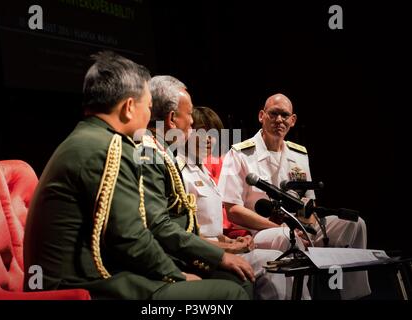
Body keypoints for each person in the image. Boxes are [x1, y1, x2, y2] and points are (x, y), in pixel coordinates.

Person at [23, 51, 249, 300]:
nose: (150, 116)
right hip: (84, 286)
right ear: (129, 107)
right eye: (149, 107)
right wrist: (175, 274)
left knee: (231, 280)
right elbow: (129, 237)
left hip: (86, 276)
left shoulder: (91, 138)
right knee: (230, 294)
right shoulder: (110, 148)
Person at [218, 93, 371, 299]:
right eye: (273, 114)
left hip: (299, 227)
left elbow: (309, 201)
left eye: (284, 115)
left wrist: (305, 227)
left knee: (355, 224)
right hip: (260, 232)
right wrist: (283, 228)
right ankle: (301, 296)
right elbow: (233, 210)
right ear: (261, 116)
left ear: (293, 120)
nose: (279, 120)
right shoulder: (240, 153)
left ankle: (355, 296)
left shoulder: (299, 153)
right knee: (286, 238)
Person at [138, 75, 255, 298]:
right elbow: (159, 227)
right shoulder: (149, 154)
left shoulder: (161, 153)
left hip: (184, 250)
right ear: (172, 119)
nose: (192, 122)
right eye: (190, 114)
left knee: (240, 279)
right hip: (167, 260)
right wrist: (222, 253)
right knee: (237, 284)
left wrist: (224, 243)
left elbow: (185, 223)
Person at [177, 106, 310, 299]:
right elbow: (185, 234)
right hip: (201, 255)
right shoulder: (180, 171)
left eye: (214, 134)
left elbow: (211, 230)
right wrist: (230, 247)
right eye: (202, 132)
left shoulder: (204, 172)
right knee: (274, 259)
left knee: (278, 259)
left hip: (218, 247)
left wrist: (233, 240)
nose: (210, 139)